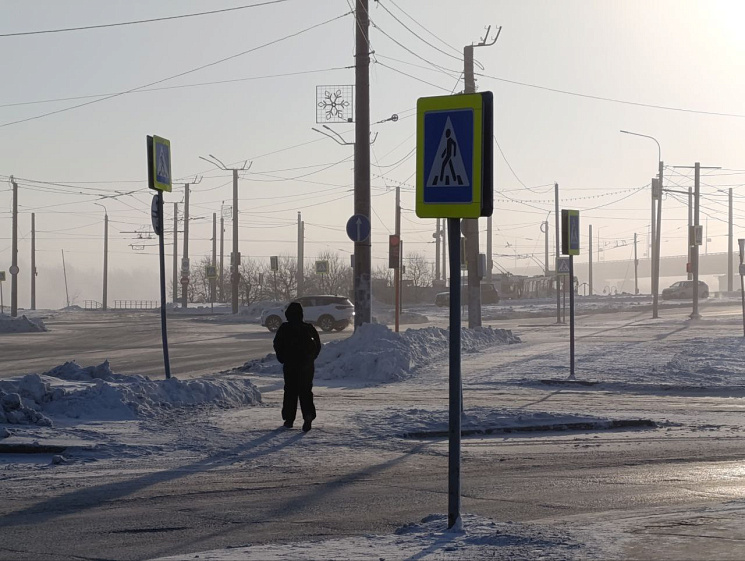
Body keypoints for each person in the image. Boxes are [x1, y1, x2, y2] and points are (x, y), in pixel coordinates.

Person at [273, 302, 322, 432]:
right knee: (306, 391)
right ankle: (308, 415)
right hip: (306, 366)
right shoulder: (308, 328)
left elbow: (277, 344)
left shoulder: (284, 328)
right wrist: (311, 358)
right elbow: (317, 344)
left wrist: (282, 358)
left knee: (290, 391)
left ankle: (289, 419)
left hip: (290, 364)